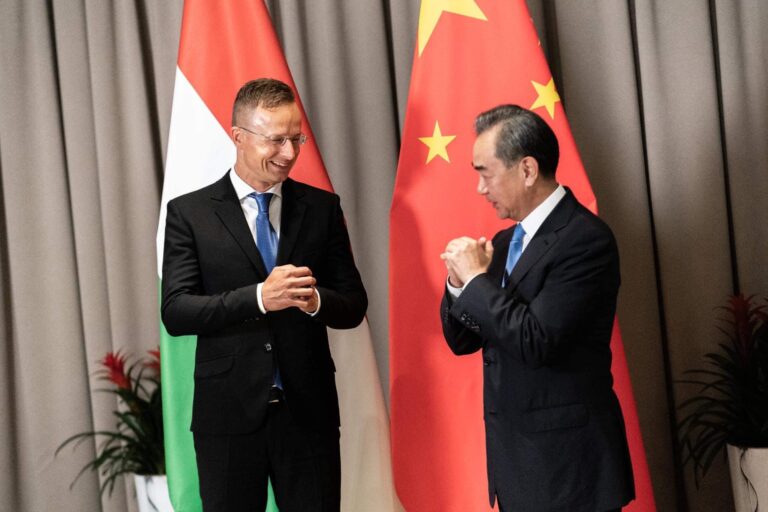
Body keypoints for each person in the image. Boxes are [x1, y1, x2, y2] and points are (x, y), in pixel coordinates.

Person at [161, 78, 367, 512]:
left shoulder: (322, 208)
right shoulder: (190, 213)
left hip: (308, 414)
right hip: (228, 417)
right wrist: (258, 298)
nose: (288, 153)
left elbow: (353, 304)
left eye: (296, 139)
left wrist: (313, 301)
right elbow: (177, 311)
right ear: (238, 136)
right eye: (275, 140)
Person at [439, 105, 635, 512]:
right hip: (518, 465)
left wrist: (475, 280)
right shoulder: (504, 241)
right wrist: (459, 285)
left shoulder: (585, 239)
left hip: (571, 471)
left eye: (486, 173)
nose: (479, 188)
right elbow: (463, 341)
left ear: (527, 170)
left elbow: (536, 340)